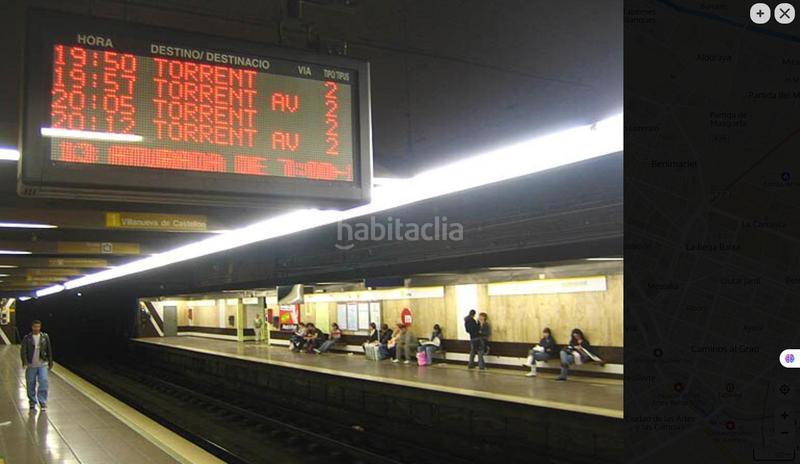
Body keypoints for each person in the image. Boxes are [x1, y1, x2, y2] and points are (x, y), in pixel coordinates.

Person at [20, 320, 53, 411]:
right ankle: (32, 401)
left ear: (40, 327)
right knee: (30, 383)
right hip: (31, 365)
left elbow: (49, 350)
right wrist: (25, 362)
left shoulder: (45, 337)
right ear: (32, 327)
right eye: (35, 326)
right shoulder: (27, 338)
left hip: (42, 364)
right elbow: (23, 351)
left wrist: (50, 362)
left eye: (38, 327)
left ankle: (42, 402)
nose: (36, 328)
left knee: (43, 382)